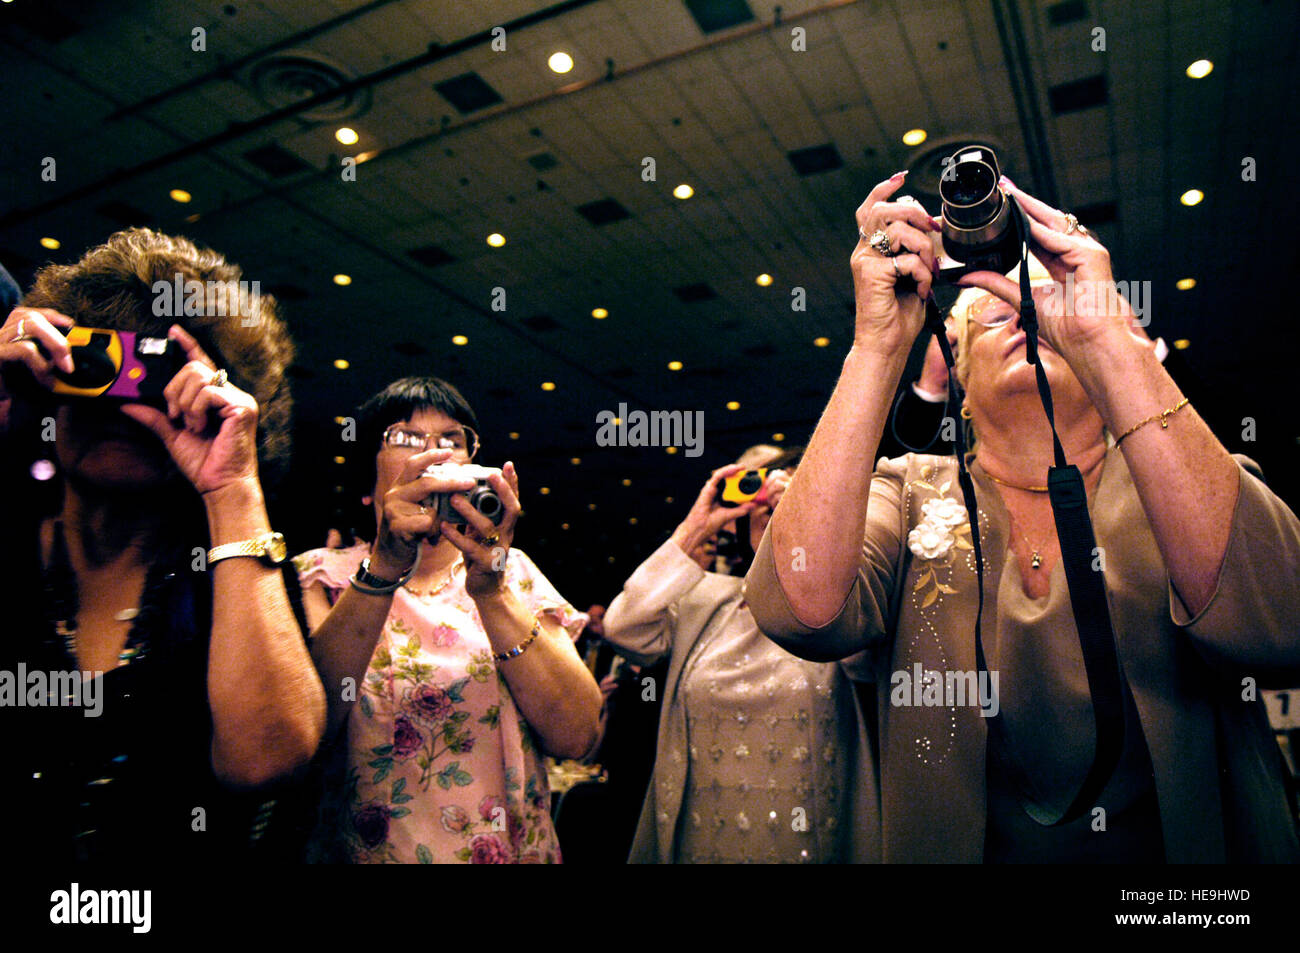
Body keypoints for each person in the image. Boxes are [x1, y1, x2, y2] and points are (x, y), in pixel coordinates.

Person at [745, 170, 1300, 862]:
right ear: (958, 380)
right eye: (988, 311)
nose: (1018, 313)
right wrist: (877, 346)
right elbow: (799, 609)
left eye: (1037, 301)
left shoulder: (1178, 481)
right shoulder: (912, 489)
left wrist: (1105, 344)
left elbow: (1282, 623)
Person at [0, 228, 325, 864]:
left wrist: (233, 486)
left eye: (157, 380)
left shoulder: (236, 579)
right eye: (98, 368)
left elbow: (264, 761)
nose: (126, 406)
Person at [295, 376, 600, 863]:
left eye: (451, 439)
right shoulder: (322, 578)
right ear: (367, 480)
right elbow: (301, 738)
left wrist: (492, 592)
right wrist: (386, 567)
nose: (433, 452)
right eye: (405, 437)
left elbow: (579, 736)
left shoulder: (513, 572)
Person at [603, 445, 875, 863]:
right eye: (771, 508)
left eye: (801, 504)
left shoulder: (845, 611)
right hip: (700, 842)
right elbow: (623, 629)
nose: (783, 513)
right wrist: (695, 528)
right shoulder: (706, 601)